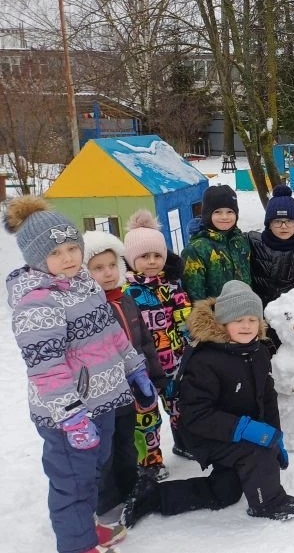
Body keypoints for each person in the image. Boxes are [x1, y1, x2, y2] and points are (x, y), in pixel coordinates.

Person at [5, 196, 155, 553]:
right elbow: (46, 367)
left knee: (91, 473)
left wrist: (134, 368)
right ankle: (76, 544)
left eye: (72, 248)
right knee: (72, 481)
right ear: (36, 257)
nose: (68, 258)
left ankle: (85, 529)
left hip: (102, 401)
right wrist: (71, 416)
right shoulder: (37, 301)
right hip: (68, 415)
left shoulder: (84, 283)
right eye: (56, 253)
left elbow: (111, 333)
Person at [120, 281, 294, 527]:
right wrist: (246, 430)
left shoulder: (258, 353)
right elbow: (195, 414)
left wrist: (274, 435)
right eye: (238, 319)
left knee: (226, 491)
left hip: (238, 431)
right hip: (206, 434)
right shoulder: (206, 359)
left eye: (252, 319)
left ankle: (153, 496)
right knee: (256, 451)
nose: (246, 325)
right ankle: (269, 503)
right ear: (223, 322)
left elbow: (267, 398)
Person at [82, 231, 167, 523]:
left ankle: (130, 489)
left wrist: (155, 376)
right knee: (106, 449)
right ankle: (107, 502)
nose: (107, 273)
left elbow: (145, 343)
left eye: (111, 265)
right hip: (103, 392)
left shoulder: (126, 300)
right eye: (97, 268)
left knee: (128, 442)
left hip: (132, 386)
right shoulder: (88, 309)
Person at [122, 209, 193, 477]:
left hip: (174, 363)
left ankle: (185, 443)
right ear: (131, 259)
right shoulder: (126, 291)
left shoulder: (171, 285)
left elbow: (184, 314)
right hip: (143, 369)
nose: (151, 261)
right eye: (144, 256)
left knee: (180, 407)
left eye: (157, 255)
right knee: (146, 417)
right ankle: (150, 462)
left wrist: (191, 338)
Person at [248, 184, 294, 348]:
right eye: (277, 221)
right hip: (258, 319)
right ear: (269, 223)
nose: (283, 226)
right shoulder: (253, 243)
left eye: (289, 221)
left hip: (290, 322)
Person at [182, 184, 251, 301]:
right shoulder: (196, 249)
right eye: (218, 212)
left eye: (230, 211)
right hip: (215, 311)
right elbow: (194, 295)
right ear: (207, 214)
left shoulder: (241, 241)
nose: (224, 217)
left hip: (246, 308)